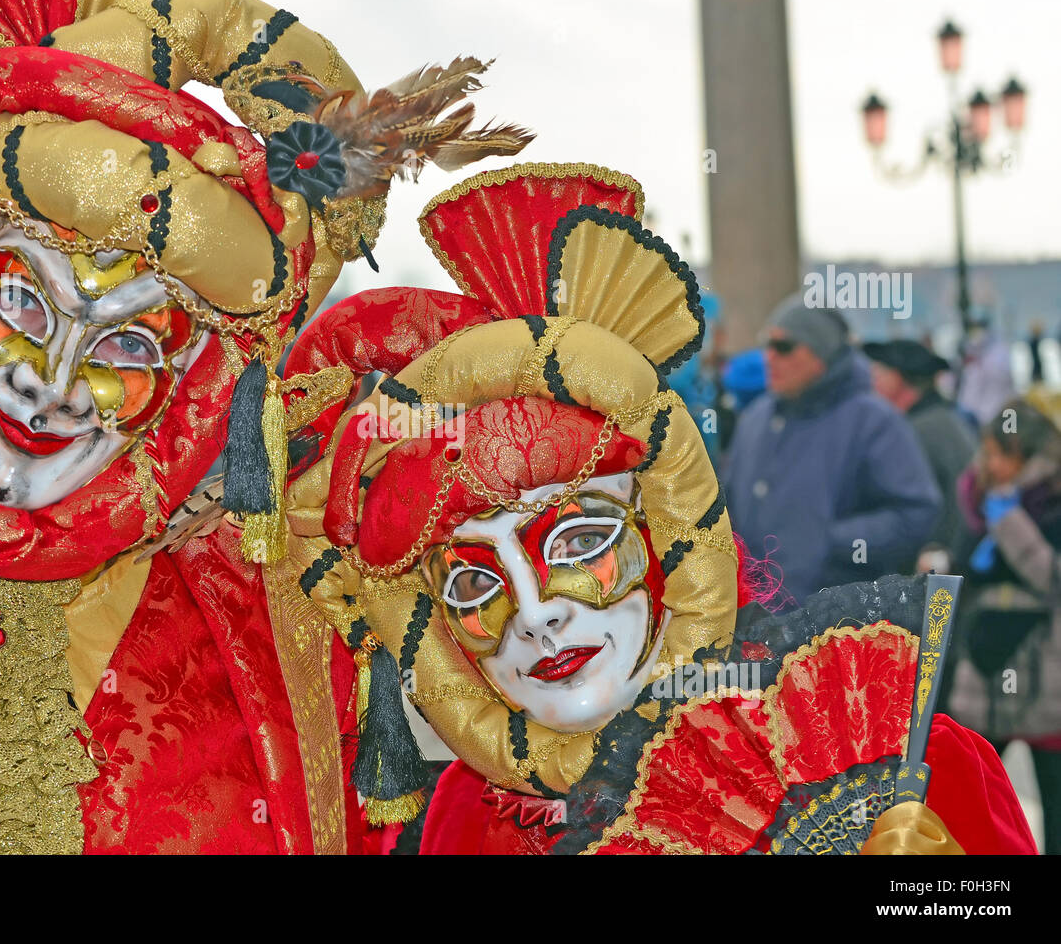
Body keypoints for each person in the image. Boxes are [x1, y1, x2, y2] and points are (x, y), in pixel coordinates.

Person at [0, 0, 528, 854]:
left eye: (125, 348)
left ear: (195, 383)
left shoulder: (272, 590)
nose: (52, 388)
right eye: (20, 301)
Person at [279, 164, 1034, 855]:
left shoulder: (906, 761)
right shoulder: (466, 817)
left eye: (575, 543)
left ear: (668, 530)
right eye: (475, 585)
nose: (535, 615)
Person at [723, 298, 941, 605]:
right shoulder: (756, 419)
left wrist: (830, 541)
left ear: (821, 354)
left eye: (784, 347)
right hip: (752, 622)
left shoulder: (874, 421)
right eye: (767, 345)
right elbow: (727, 507)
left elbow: (916, 512)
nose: (769, 357)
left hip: (836, 624)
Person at [948, 393, 1061, 854]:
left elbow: (1051, 576)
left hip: (1043, 668)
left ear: (1028, 454)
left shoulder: (1050, 502)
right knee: (973, 790)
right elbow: (962, 568)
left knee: (1053, 798)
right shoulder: (979, 497)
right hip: (984, 668)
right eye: (988, 452)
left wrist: (1010, 522)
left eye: (1001, 454)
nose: (991, 463)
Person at [864, 338, 977, 569]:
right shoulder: (942, 420)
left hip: (935, 569)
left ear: (897, 379)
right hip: (949, 565)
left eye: (878, 372)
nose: (871, 381)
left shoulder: (917, 432)